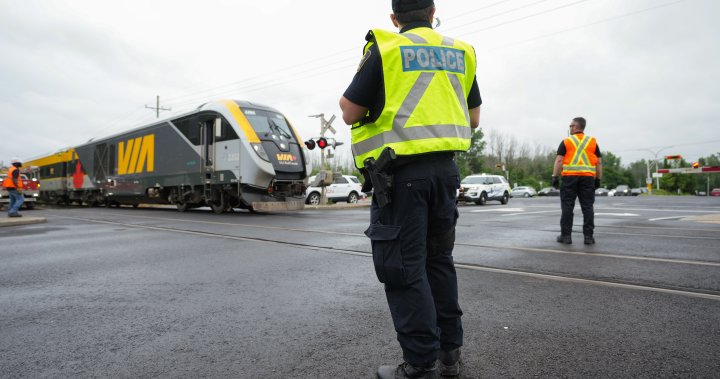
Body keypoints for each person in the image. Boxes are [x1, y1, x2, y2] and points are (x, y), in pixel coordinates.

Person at [339, 1, 481, 377]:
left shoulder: (386, 48)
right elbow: (474, 118)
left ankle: (420, 365)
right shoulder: (460, 51)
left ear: (394, 17)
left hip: (400, 178)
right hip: (445, 173)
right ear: (433, 12)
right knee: (439, 261)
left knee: (404, 269)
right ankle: (450, 354)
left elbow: (350, 112)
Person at [551, 117, 603, 245]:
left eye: (571, 126)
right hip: (588, 178)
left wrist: (554, 176)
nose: (570, 128)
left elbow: (559, 160)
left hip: (570, 178)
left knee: (567, 206)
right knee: (587, 207)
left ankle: (566, 236)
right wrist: (598, 179)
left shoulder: (566, 142)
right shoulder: (592, 142)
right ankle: (588, 237)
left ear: (575, 127)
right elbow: (599, 162)